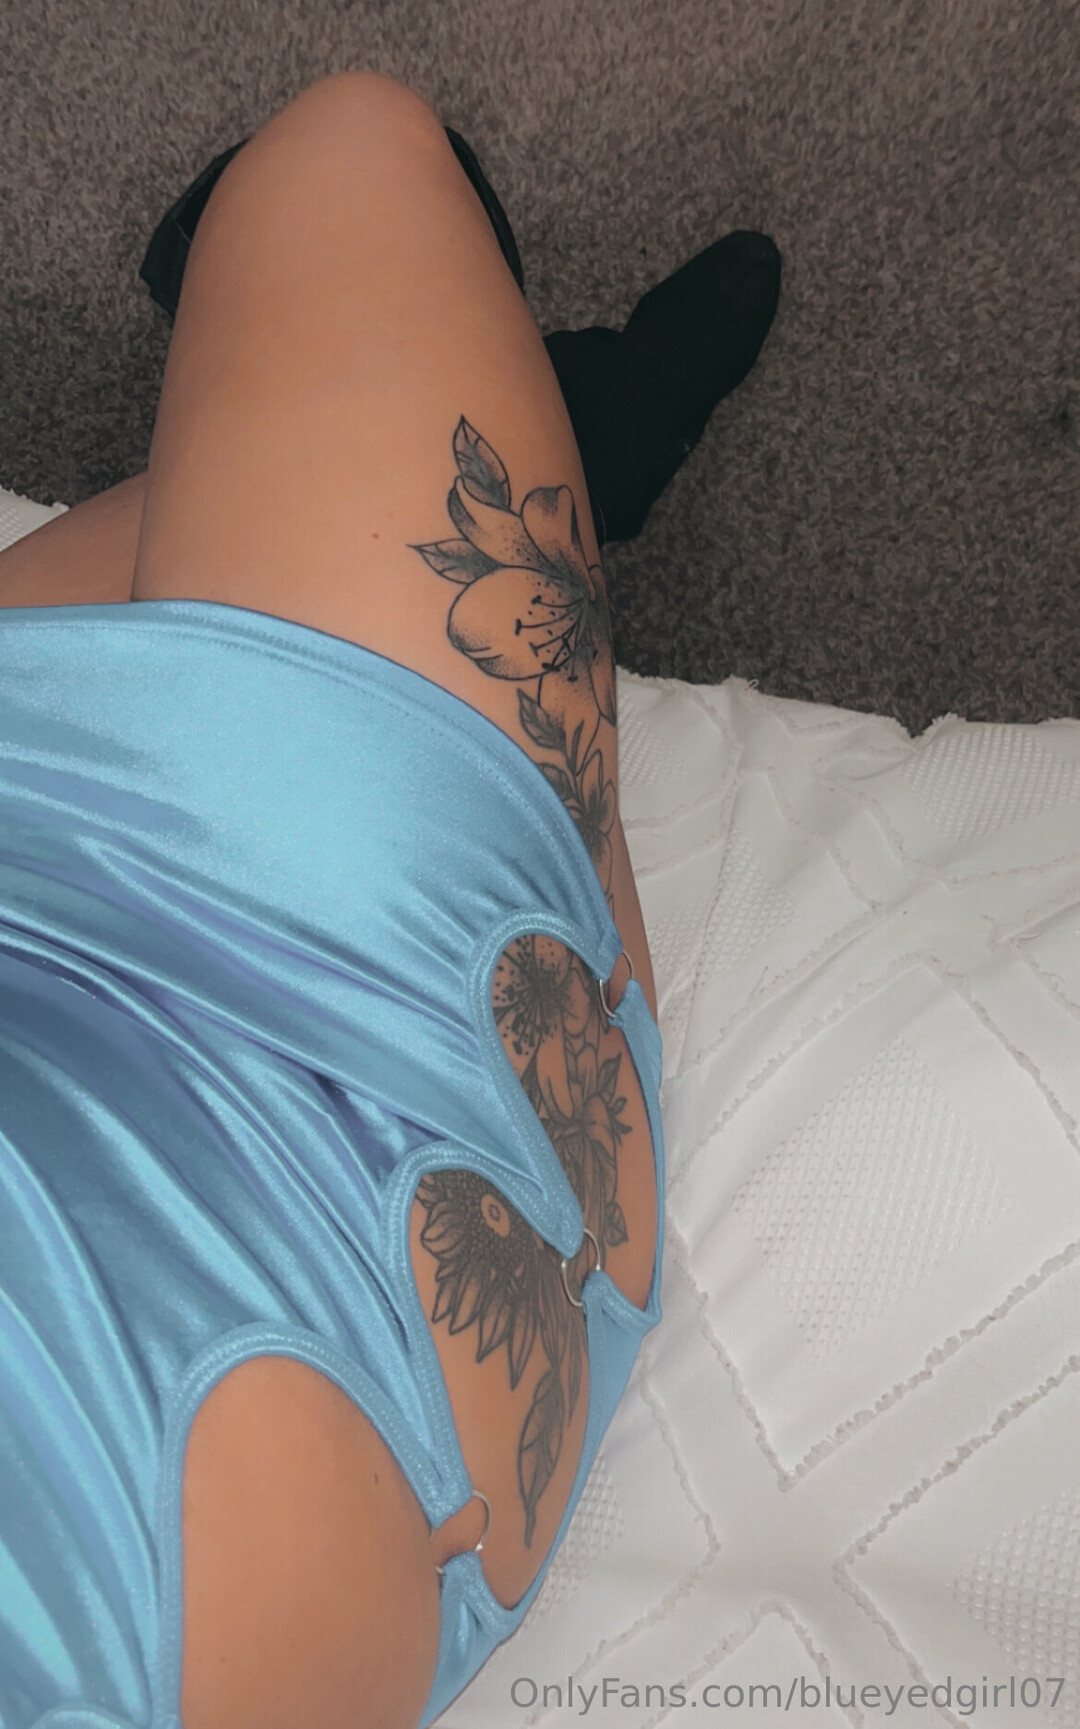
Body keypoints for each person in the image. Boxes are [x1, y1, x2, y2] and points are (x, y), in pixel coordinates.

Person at [0, 71, 780, 1729]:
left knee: (221, 526)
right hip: (343, 1122)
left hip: (66, 1033)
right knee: (347, 157)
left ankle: (555, 419)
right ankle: (558, 426)